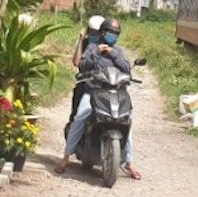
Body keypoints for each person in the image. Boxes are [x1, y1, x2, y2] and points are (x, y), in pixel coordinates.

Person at [55, 18, 142, 180]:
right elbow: (82, 65)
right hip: (94, 92)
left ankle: (129, 162)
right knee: (80, 117)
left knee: (127, 120)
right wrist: (96, 53)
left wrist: (113, 53)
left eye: (115, 34)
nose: (112, 37)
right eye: (110, 33)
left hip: (115, 93)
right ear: (102, 33)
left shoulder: (119, 51)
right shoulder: (92, 48)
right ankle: (65, 158)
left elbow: (125, 68)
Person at [68, 14, 105, 121]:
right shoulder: (84, 43)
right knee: (77, 117)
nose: (95, 35)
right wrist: (80, 40)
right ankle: (73, 135)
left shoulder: (106, 46)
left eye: (97, 33)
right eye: (92, 32)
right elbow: (76, 62)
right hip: (85, 82)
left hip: (102, 84)